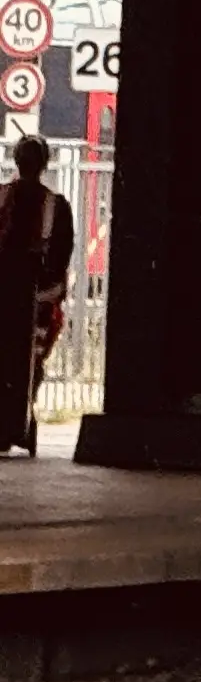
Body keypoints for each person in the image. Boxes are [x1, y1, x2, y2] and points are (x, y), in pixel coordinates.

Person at [0, 137, 71, 457]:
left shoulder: (3, 196)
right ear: (45, 163)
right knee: (33, 359)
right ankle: (21, 416)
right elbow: (61, 256)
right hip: (36, 300)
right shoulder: (56, 206)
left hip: (12, 297)